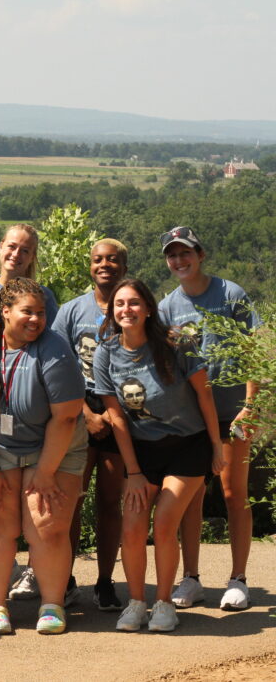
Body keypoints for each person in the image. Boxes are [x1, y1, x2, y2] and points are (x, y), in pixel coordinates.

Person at [0, 277, 86, 635]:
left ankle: (52, 605)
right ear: (5, 311)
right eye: (27, 312)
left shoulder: (55, 350)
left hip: (55, 443)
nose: (36, 320)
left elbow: (67, 416)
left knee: (47, 526)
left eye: (41, 313)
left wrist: (45, 471)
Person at [93, 278, 224, 632]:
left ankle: (164, 603)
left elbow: (205, 395)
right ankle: (137, 603)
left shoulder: (176, 343)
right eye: (120, 304)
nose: (126, 310)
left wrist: (216, 446)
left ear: (149, 308)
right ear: (112, 311)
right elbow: (116, 415)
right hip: (142, 451)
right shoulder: (106, 351)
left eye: (134, 303)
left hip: (188, 444)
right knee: (133, 527)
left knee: (165, 523)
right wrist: (132, 471)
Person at [156, 226, 259, 612]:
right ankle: (192, 578)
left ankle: (239, 579)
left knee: (234, 494)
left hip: (233, 414)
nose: (179, 261)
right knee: (191, 499)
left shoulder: (230, 294)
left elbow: (256, 349)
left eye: (185, 253)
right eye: (172, 255)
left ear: (200, 254)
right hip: (191, 419)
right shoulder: (167, 306)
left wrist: (251, 407)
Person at [50, 238, 129, 611]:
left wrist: (113, 415)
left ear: (123, 267)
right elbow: (56, 367)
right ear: (90, 265)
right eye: (98, 259)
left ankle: (104, 581)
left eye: (112, 260)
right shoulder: (70, 311)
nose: (105, 265)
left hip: (120, 411)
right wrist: (84, 412)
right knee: (72, 500)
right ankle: (64, 578)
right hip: (77, 409)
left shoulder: (133, 307)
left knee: (111, 501)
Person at [0, 224, 59, 326]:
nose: (16, 254)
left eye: (25, 251)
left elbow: (55, 336)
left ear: (32, 257)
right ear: (1, 246)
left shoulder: (43, 295)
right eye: (12, 246)